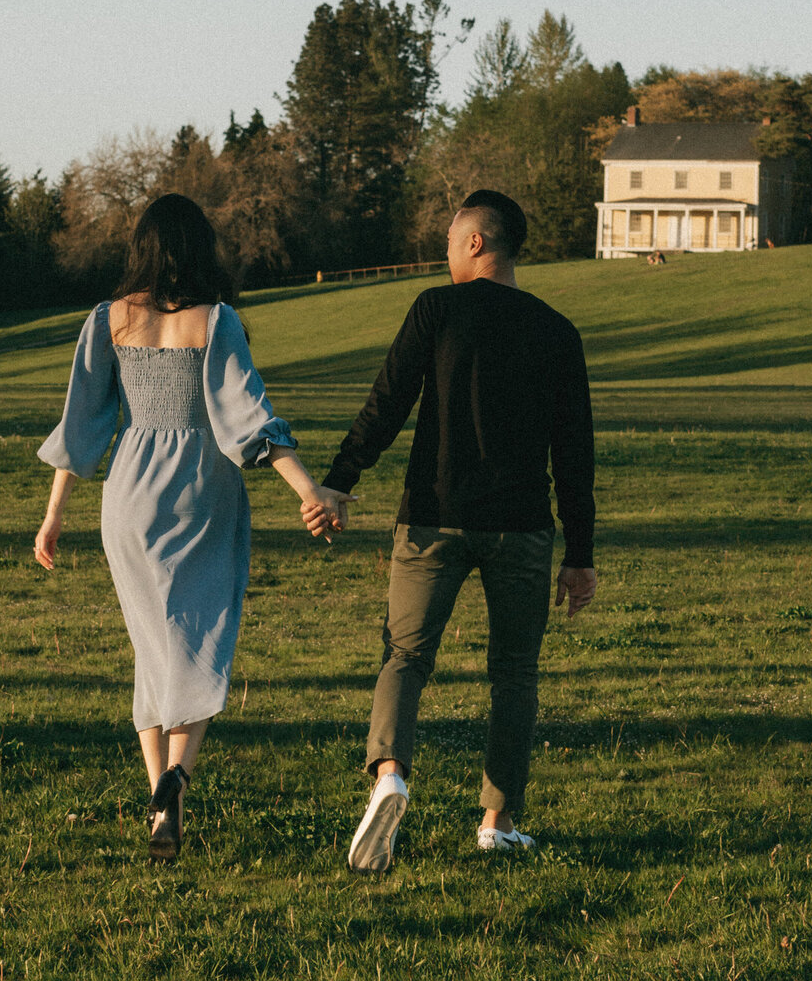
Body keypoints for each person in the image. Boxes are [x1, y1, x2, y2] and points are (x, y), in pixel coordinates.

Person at [35, 194, 344, 862]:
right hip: (203, 487)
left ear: (141, 246)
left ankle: (158, 804)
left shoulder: (109, 319)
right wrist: (307, 488)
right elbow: (247, 417)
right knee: (202, 635)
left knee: (151, 647)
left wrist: (54, 514)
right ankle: (179, 775)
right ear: (200, 247)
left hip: (131, 490)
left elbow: (82, 425)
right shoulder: (217, 320)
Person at [303, 190, 597, 873]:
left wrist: (340, 479)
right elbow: (574, 452)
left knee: (405, 656)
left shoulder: (437, 308)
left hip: (433, 516)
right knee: (514, 674)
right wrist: (579, 555)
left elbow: (388, 401)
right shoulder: (558, 331)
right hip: (522, 527)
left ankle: (390, 777)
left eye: (448, 239)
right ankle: (497, 821)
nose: (444, 251)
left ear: (475, 243)